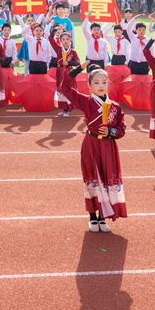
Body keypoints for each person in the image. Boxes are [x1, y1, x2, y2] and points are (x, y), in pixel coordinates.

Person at [60, 63, 127, 232]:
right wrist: (78, 69)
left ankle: (103, 216)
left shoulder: (115, 107)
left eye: (104, 82)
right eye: (96, 82)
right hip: (91, 145)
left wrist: (111, 131)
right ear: (89, 85)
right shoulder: (86, 101)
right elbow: (65, 87)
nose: (101, 86)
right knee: (92, 178)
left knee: (105, 178)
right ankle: (92, 215)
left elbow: (122, 128)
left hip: (108, 146)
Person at [48, 30, 81, 116]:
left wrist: (69, 63)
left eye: (67, 39)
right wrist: (53, 32)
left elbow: (78, 62)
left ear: (70, 40)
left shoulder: (73, 52)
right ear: (61, 40)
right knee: (61, 89)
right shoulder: (58, 49)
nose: (65, 41)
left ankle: (68, 108)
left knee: (68, 89)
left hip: (69, 72)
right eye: (63, 39)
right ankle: (64, 109)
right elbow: (51, 40)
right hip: (60, 71)